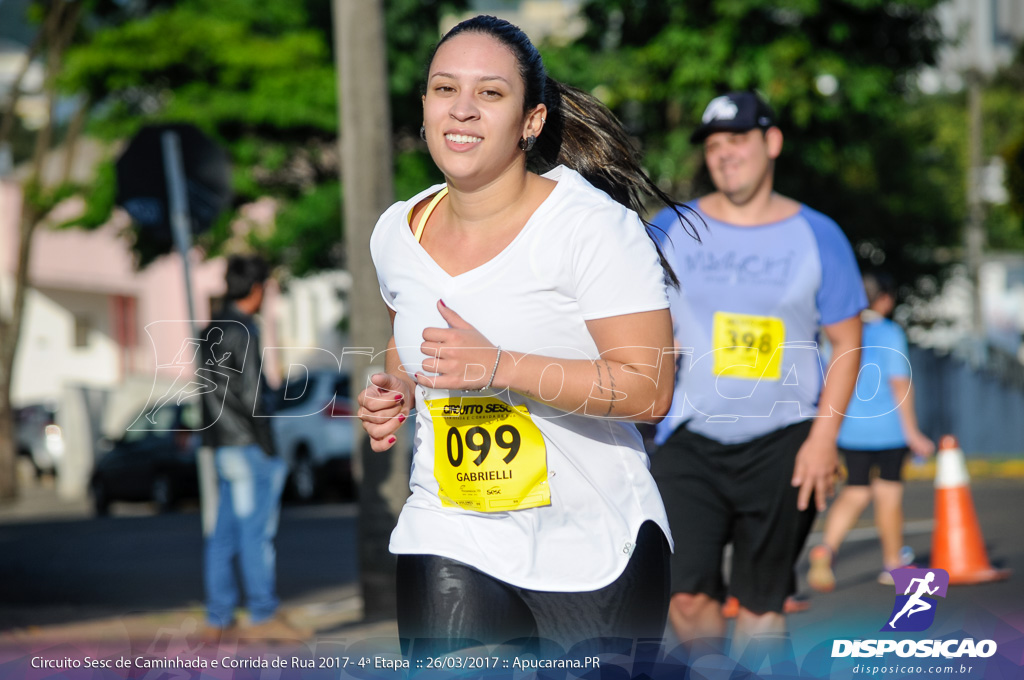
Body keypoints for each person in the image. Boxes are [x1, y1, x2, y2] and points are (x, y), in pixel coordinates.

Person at [356, 15, 700, 660]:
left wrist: (501, 365)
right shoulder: (396, 232)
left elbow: (649, 390)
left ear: (531, 119)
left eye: (490, 93)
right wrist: (395, 388)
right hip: (452, 528)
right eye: (443, 89)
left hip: (594, 543)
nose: (462, 110)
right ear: (424, 105)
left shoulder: (592, 230)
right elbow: (412, 337)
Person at [648, 91, 867, 651]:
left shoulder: (819, 235)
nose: (724, 154)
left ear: (771, 143)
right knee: (686, 595)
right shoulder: (670, 227)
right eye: (714, 145)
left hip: (785, 441)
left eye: (738, 140)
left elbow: (847, 343)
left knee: (761, 603)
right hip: (687, 437)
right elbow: (637, 323)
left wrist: (824, 438)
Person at [198, 254, 310, 642]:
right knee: (256, 533)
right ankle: (263, 613)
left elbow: (210, 397)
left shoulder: (210, 328)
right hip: (248, 446)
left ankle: (218, 617)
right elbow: (252, 396)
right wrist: (269, 449)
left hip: (223, 446)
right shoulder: (244, 330)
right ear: (258, 288)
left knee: (224, 534)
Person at [807, 271, 935, 592]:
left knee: (857, 490)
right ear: (884, 299)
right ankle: (893, 563)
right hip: (888, 430)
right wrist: (913, 432)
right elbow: (899, 384)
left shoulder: (836, 335)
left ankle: (827, 548)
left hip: (849, 430)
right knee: (888, 493)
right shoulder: (890, 332)